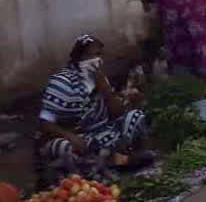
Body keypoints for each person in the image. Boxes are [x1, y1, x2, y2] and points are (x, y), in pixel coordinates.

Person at [37, 35, 150, 182]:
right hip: (76, 137)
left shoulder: (100, 78)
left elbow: (117, 112)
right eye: (90, 55)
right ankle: (109, 166)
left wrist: (105, 89)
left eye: (98, 55)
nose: (96, 60)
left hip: (102, 133)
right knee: (64, 148)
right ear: (79, 57)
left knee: (135, 117)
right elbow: (45, 123)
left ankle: (111, 162)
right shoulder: (61, 82)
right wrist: (70, 136)